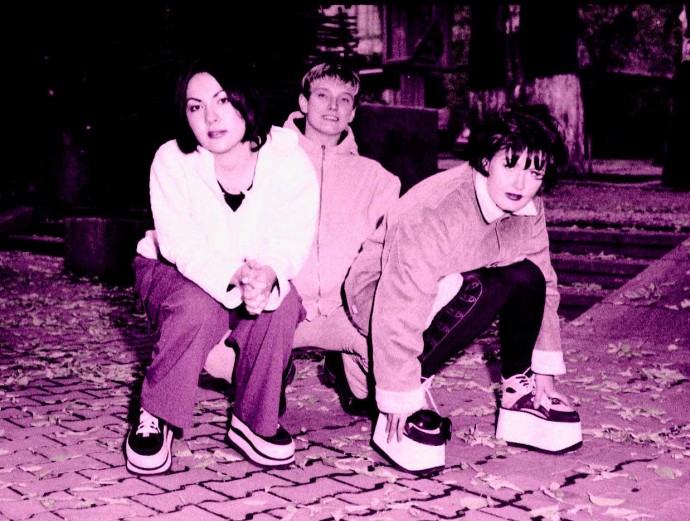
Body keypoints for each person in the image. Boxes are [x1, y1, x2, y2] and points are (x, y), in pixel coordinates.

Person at [344, 104, 582, 474]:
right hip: (378, 297)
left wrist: (544, 377)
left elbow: (545, 285)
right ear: (486, 160)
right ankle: (382, 373)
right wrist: (399, 395)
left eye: (534, 172)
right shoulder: (436, 210)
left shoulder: (530, 208)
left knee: (527, 277)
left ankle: (518, 394)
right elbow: (399, 301)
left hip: (448, 285)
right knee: (481, 288)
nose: (520, 184)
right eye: (510, 165)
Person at [124, 56, 319, 475]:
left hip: (256, 270)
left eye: (223, 100)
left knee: (282, 304)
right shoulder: (171, 160)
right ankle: (157, 412)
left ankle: (256, 420)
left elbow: (292, 235)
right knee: (198, 307)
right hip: (171, 269)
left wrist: (268, 275)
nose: (211, 117)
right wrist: (234, 276)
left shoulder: (289, 159)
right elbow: (180, 244)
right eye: (196, 107)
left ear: (246, 100)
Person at [204, 62, 401, 416]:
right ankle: (274, 369)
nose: (333, 106)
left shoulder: (377, 179)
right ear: (303, 102)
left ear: (353, 111)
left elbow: (387, 256)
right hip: (279, 309)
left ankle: (348, 372)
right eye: (322, 96)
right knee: (220, 358)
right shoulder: (263, 159)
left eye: (344, 99)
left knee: (395, 371)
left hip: (344, 313)